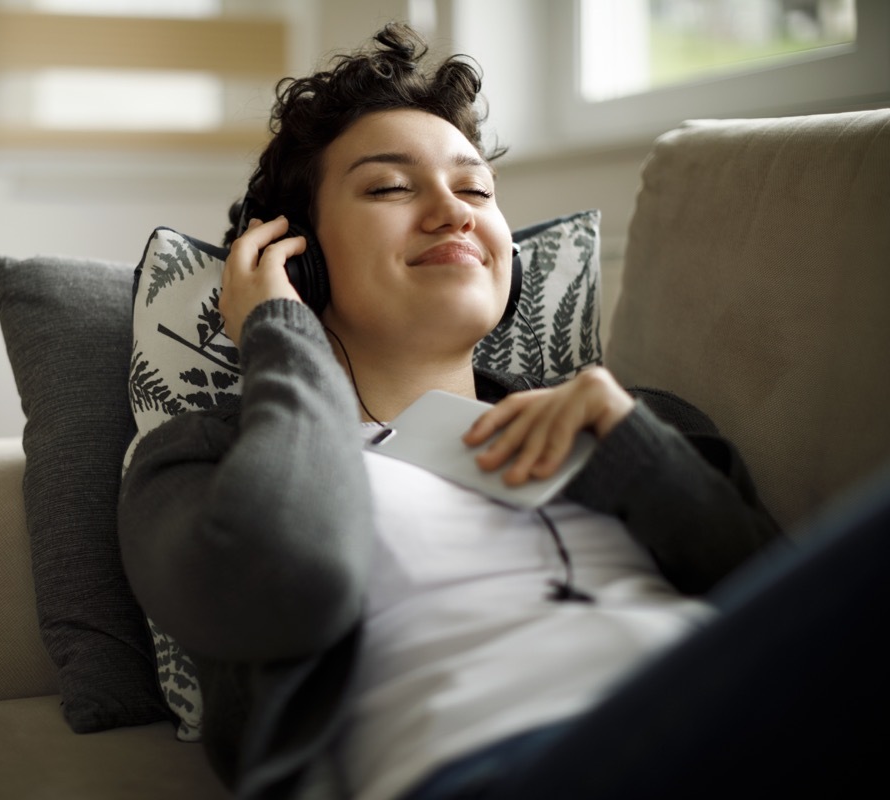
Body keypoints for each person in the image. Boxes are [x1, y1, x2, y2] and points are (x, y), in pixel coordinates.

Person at [118, 22, 884, 800]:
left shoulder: (625, 419)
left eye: (476, 189)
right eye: (389, 186)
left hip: (745, 722)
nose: (454, 213)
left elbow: (787, 614)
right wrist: (279, 339)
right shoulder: (204, 459)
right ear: (299, 258)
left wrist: (635, 451)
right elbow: (280, 587)